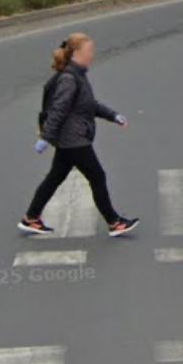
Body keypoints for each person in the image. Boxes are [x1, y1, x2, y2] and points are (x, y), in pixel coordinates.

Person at [21, 32, 138, 236]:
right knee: (97, 176)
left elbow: (89, 104)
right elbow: (58, 109)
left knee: (55, 176)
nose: (92, 54)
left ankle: (31, 218)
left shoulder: (78, 74)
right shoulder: (69, 78)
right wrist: (45, 137)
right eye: (89, 50)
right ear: (76, 52)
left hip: (70, 138)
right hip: (73, 139)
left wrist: (113, 115)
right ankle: (114, 222)